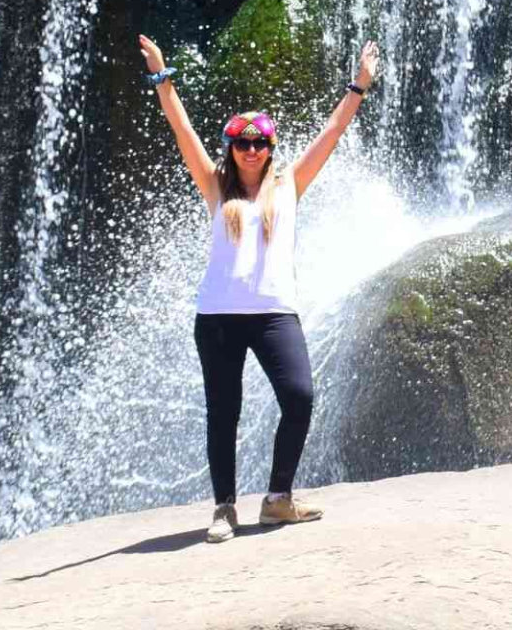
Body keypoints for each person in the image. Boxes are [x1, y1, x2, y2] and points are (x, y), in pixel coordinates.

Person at [136, 34, 381, 544]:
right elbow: (181, 128)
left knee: (299, 396)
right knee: (224, 412)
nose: (250, 151)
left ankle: (277, 499)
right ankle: (224, 508)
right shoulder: (214, 184)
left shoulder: (290, 184)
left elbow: (333, 132)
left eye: (259, 143)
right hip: (219, 318)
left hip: (274, 314)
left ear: (271, 149)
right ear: (232, 148)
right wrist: (162, 76)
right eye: (242, 143)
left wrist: (359, 85)